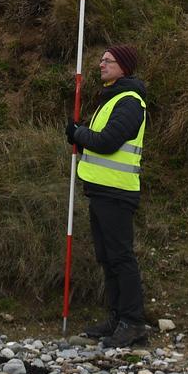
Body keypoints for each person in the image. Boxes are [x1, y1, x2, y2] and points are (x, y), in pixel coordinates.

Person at [64, 42, 150, 349]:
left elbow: (108, 141)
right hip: (101, 191)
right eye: (102, 60)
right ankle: (116, 319)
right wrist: (80, 135)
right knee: (108, 258)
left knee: (121, 257)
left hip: (117, 192)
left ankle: (133, 322)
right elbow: (96, 141)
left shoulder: (130, 101)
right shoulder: (112, 98)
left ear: (123, 67)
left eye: (108, 61)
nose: (101, 64)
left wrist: (79, 134)